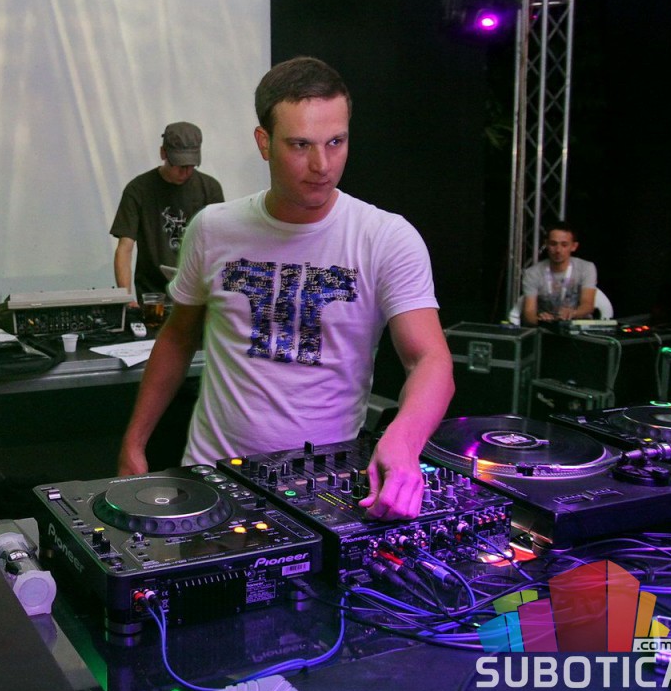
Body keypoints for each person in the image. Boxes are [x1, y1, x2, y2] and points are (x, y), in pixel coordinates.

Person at [117, 57, 454, 521]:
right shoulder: (213, 228)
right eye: (300, 145)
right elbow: (178, 337)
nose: (322, 165)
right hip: (212, 477)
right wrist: (135, 442)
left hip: (323, 485)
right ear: (264, 142)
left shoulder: (385, 237)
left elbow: (430, 359)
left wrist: (404, 437)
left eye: (336, 142)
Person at [110, 122, 224, 299]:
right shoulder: (138, 190)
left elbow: (220, 247)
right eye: (179, 165)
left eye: (190, 166)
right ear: (163, 153)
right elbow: (124, 249)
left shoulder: (210, 189)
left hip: (197, 297)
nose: (185, 172)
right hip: (152, 297)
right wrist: (126, 299)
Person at [520, 221, 597, 324]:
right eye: (553, 244)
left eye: (564, 245)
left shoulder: (586, 268)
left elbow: (588, 305)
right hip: (547, 327)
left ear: (574, 246)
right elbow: (529, 312)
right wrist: (540, 319)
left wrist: (573, 313)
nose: (558, 250)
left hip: (577, 325)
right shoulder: (532, 273)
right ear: (546, 244)